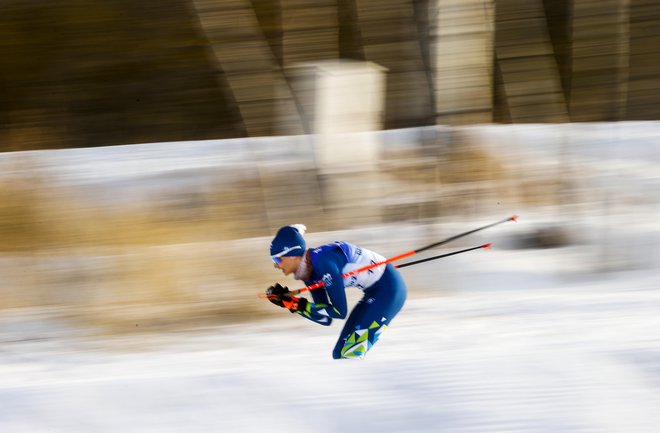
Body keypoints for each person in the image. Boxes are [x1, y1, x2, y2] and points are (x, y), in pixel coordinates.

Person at [265, 224, 407, 359]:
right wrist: (292, 304)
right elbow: (325, 318)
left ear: (292, 254)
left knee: (351, 352)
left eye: (277, 258)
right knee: (339, 353)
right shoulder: (308, 273)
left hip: (390, 289)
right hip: (374, 292)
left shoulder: (323, 263)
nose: (275, 265)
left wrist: (300, 305)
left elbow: (339, 312)